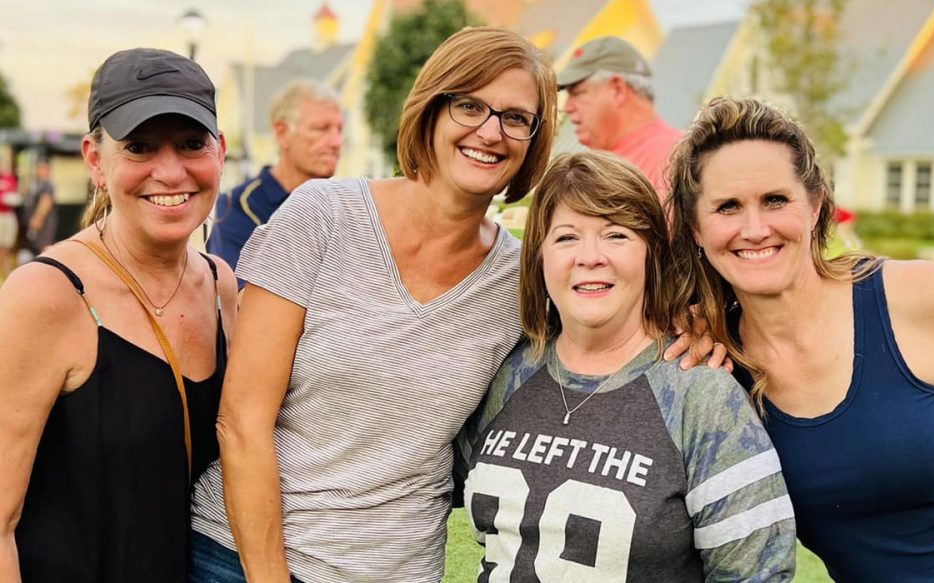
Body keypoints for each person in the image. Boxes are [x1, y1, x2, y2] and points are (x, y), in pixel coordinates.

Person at [189, 27, 722, 583]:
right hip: (238, 557)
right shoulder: (321, 216)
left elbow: (614, 321)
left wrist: (695, 321)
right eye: (469, 105)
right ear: (431, 110)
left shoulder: (524, 278)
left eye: (515, 118)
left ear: (534, 140)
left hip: (394, 569)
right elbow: (242, 419)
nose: (490, 132)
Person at [668, 97, 934, 582]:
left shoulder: (918, 297)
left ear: (816, 205)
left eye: (776, 200)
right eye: (728, 207)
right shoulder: (715, 369)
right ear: (697, 228)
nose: (755, 228)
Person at [460, 151, 795, 582]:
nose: (590, 256)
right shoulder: (508, 370)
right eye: (566, 238)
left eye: (616, 235)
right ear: (539, 256)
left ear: (651, 254)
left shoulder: (699, 392)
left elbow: (757, 573)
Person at [0, 48, 238, 582]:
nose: (171, 170)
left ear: (220, 151)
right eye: (139, 147)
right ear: (94, 159)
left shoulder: (222, 285)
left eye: (192, 144)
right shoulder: (48, 295)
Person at [207, 80, 342, 275]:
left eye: (340, 130)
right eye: (321, 129)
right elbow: (240, 297)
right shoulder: (239, 207)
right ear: (282, 133)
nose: (336, 142)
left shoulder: (344, 206)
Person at [559, 36, 681, 203]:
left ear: (617, 90)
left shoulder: (677, 161)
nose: (567, 107)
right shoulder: (601, 165)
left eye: (578, 93)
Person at [24, 159, 58, 254]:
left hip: (44, 224)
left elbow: (46, 202)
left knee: (43, 248)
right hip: (39, 224)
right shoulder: (37, 183)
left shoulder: (47, 184)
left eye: (43, 168)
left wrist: (37, 219)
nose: (40, 170)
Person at [0, 155, 17, 277]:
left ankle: (4, 271)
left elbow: (14, 194)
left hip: (9, 215)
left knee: (7, 246)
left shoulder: (10, 178)